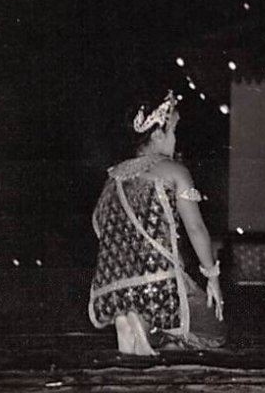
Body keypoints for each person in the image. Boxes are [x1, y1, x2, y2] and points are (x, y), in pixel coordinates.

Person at [88, 90, 226, 355]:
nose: (177, 137)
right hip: (160, 287)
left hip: (113, 290)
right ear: (158, 134)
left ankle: (134, 318)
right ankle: (153, 329)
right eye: (174, 129)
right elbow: (195, 228)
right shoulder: (174, 170)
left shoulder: (113, 176)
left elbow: (99, 224)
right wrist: (212, 278)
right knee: (214, 334)